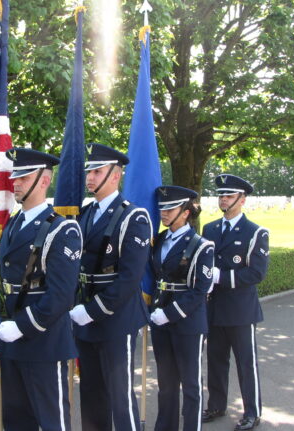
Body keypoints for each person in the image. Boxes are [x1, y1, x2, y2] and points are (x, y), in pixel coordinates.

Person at [0, 148, 82, 431]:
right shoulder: (13, 223)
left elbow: (62, 296)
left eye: (24, 177)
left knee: (52, 421)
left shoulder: (62, 230)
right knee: (16, 420)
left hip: (42, 341)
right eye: (15, 176)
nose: (15, 182)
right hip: (10, 339)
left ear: (44, 181)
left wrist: (22, 326)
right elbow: (1, 280)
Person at [69, 143, 152, 431]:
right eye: (88, 171)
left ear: (115, 176)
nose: (89, 177)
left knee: (120, 395)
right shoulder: (86, 213)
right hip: (85, 316)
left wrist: (92, 310)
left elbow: (130, 279)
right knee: (91, 393)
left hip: (116, 317)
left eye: (97, 171)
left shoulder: (134, 217)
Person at [201, 174, 269, 431]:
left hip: (241, 310)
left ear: (242, 200)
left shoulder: (255, 233)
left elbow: (256, 273)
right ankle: (217, 405)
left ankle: (252, 412)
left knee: (246, 363)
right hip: (215, 308)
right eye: (221, 195)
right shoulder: (210, 229)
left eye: (229, 196)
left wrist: (221, 276)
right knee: (216, 361)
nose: (223, 200)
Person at [149, 186, 214, 431]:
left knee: (190, 383)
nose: (163, 213)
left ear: (186, 212)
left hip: (187, 323)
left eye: (170, 208)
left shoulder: (201, 246)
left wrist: (170, 313)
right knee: (165, 383)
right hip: (159, 321)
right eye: (162, 208)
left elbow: (201, 289)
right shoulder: (159, 240)